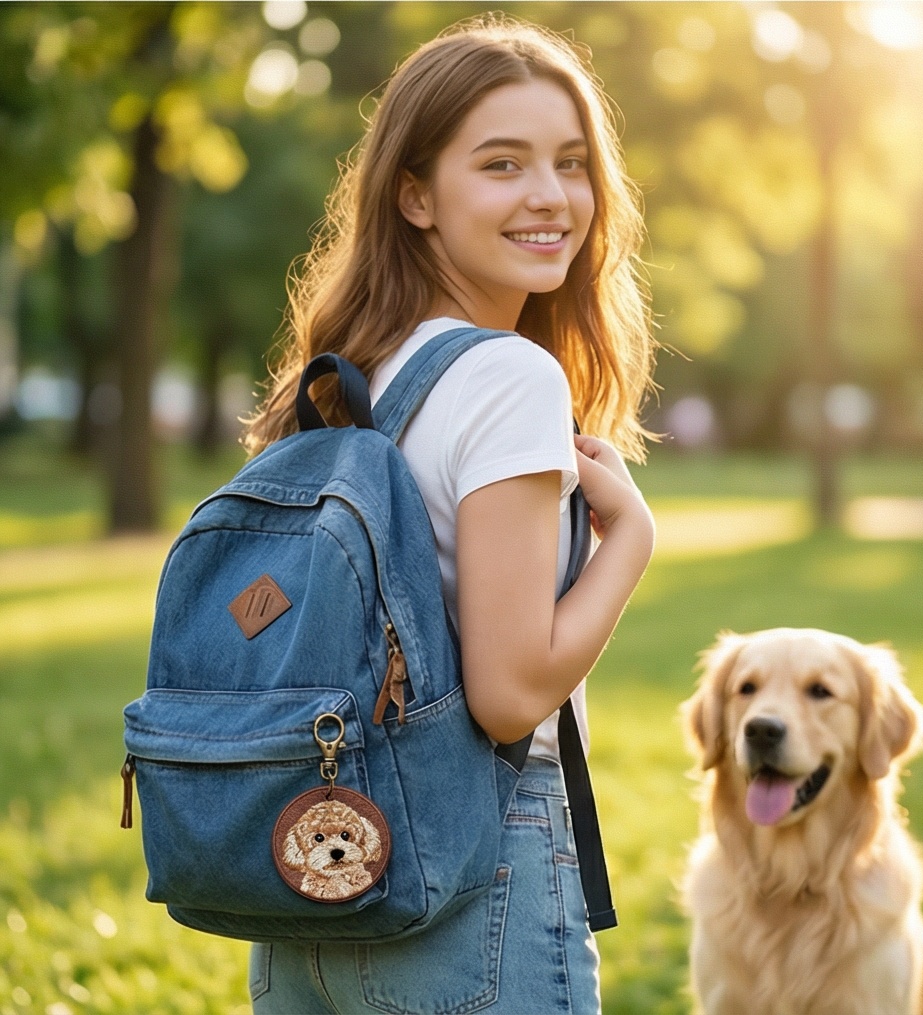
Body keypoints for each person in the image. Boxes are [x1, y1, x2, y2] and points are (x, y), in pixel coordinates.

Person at [241, 14, 657, 1014]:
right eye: (502, 165)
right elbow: (510, 694)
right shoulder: (510, 377)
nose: (552, 196)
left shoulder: (351, 382)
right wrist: (631, 545)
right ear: (416, 194)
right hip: (471, 871)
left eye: (570, 162)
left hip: (311, 865)